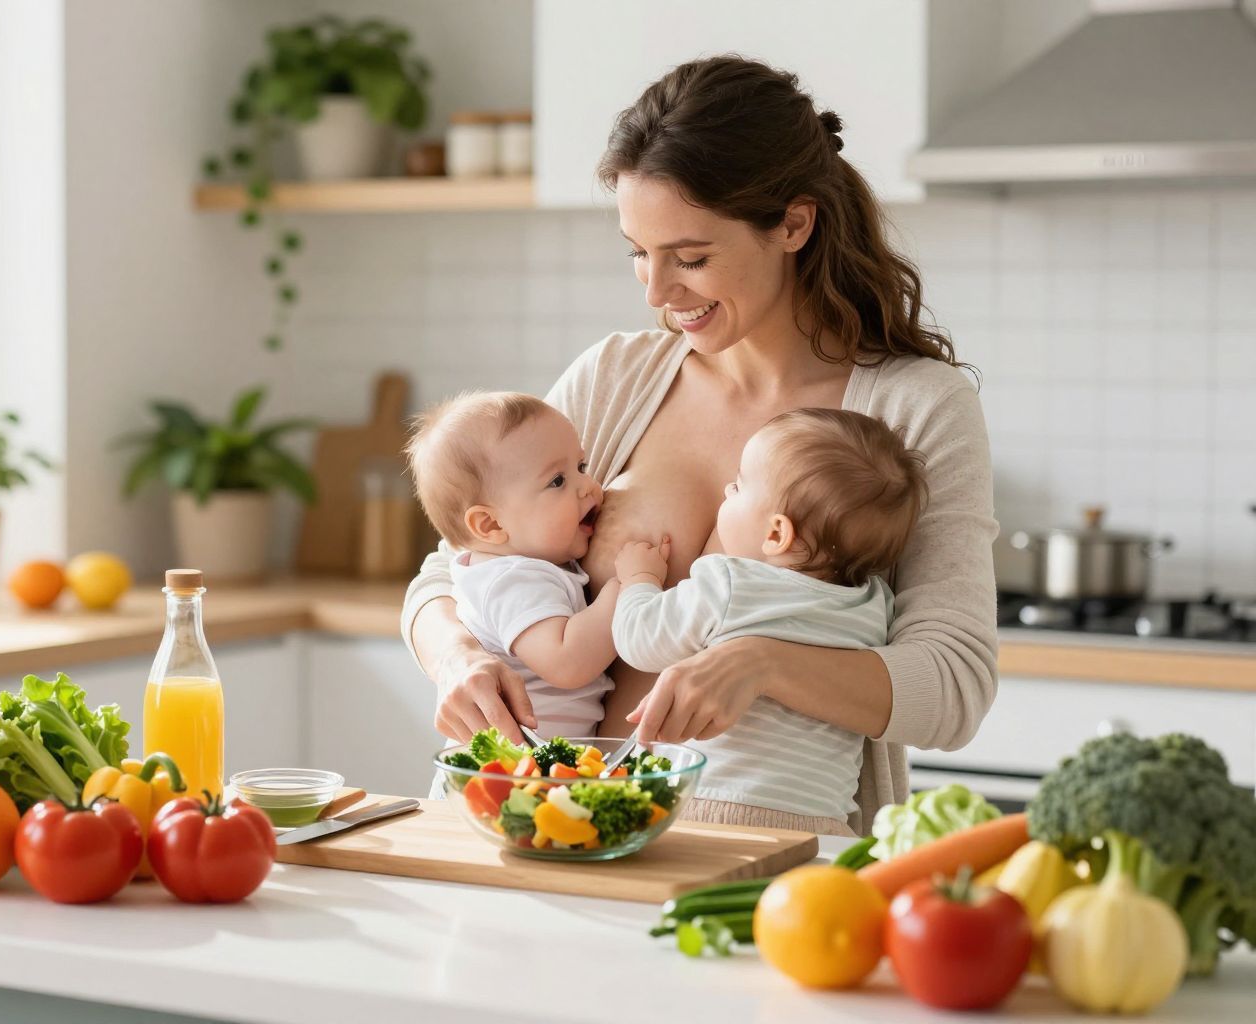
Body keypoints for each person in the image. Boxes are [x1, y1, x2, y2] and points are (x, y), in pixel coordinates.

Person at [403, 55, 999, 835]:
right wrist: (456, 657)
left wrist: (764, 663)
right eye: (638, 253)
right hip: (546, 830)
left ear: (794, 224)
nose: (658, 292)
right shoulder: (616, 377)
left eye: (690, 258)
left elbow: (953, 685)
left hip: (766, 859)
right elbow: (453, 568)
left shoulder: (914, 408)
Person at [611, 408, 928, 835]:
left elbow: (639, 639)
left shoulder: (729, 583)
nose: (726, 489)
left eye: (739, 486)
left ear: (776, 534)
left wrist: (639, 580)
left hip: (709, 805)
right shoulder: (875, 608)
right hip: (823, 822)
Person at [404, 391, 616, 738]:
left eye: (581, 467)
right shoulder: (512, 580)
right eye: (558, 481)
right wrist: (627, 587)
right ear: (491, 525)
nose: (589, 487)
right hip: (516, 766)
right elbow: (567, 661)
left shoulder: (521, 565)